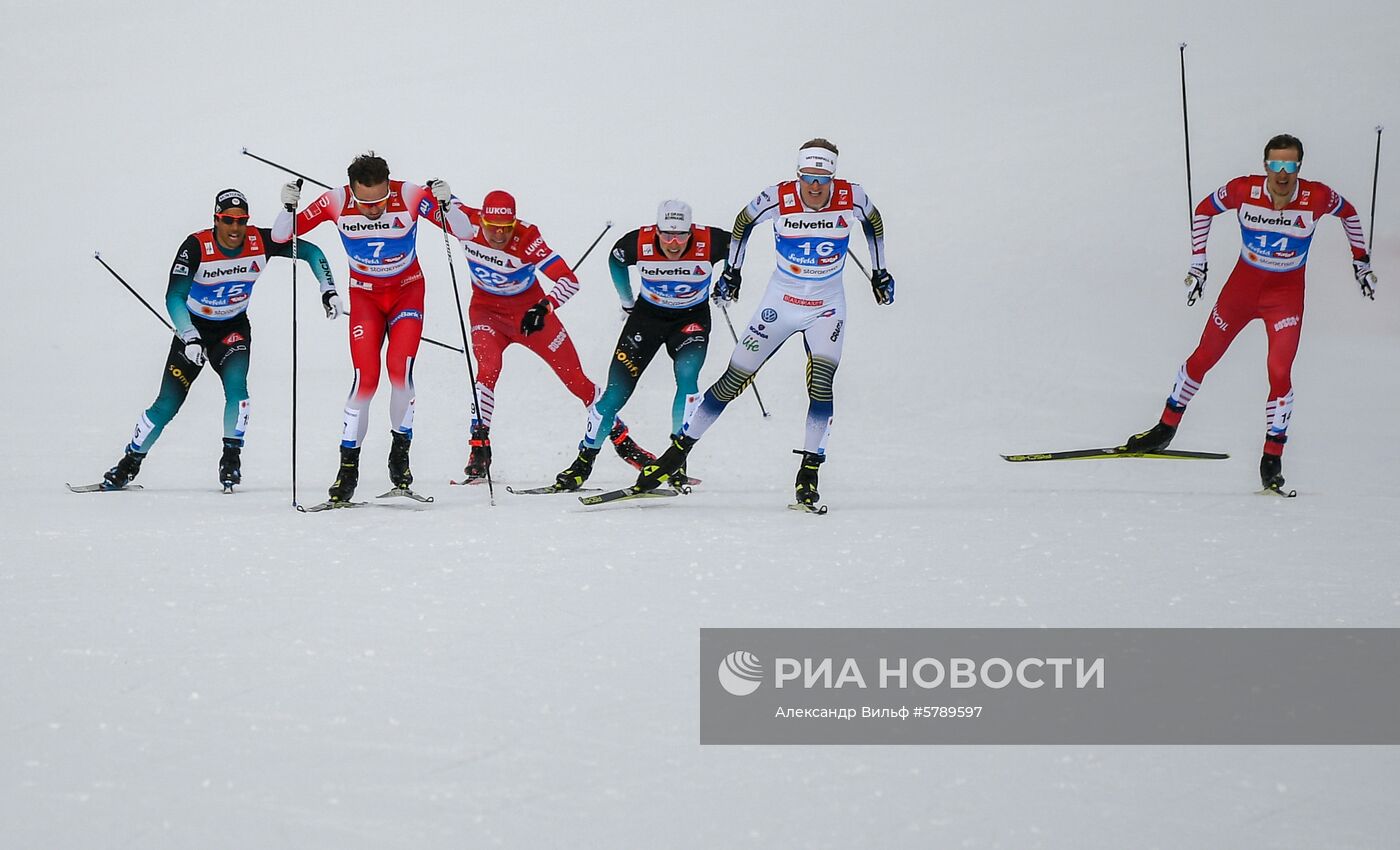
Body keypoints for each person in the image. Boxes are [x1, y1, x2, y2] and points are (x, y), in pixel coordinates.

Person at [632, 138, 895, 507]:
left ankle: (809, 472)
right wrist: (734, 272)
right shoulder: (778, 197)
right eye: (808, 177)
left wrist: (880, 271)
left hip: (827, 306)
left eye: (822, 178)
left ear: (833, 175)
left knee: (822, 384)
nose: (814, 186)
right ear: (798, 173)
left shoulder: (853, 196)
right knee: (732, 381)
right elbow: (743, 223)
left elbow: (874, 222)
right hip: (781, 302)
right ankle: (673, 457)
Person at [1124, 133, 1379, 491]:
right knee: (1204, 357)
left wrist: (1361, 262)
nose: (1282, 173)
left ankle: (1271, 459)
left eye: (1290, 165)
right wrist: (1199, 264)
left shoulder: (1316, 197)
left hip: (1285, 297)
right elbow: (1204, 210)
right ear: (1265, 167)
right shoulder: (1244, 190)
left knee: (1279, 371)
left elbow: (1349, 213)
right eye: (1276, 164)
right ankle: (1164, 429)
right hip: (1241, 291)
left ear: (1299, 168)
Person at [97, 189, 338, 491]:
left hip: (232, 329)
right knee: (166, 404)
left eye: (241, 221)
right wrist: (190, 336)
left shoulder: (260, 241)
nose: (235, 228)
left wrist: (327, 288)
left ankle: (231, 458)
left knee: (238, 389)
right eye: (227, 221)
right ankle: (129, 463)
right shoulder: (196, 246)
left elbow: (312, 252)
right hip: (195, 331)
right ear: (216, 219)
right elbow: (174, 296)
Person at [275, 153, 454, 503]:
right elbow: (284, 236)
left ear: (390, 185)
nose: (373, 209)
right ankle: (347, 471)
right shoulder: (336, 200)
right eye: (365, 202)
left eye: (381, 201)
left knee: (400, 372)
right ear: (352, 190)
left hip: (407, 293)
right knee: (366, 380)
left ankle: (400, 456)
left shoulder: (412, 195)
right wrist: (287, 208)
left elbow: (459, 231)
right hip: (366, 299)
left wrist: (450, 203)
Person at [440, 190, 654, 482]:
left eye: (506, 229)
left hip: (530, 317)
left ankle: (622, 441)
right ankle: (479, 449)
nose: (499, 236)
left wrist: (544, 306)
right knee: (487, 370)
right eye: (493, 228)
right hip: (486, 314)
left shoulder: (527, 237)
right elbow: (418, 200)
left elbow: (569, 280)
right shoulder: (465, 222)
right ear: (482, 221)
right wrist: (441, 189)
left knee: (577, 381)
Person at [552, 200, 730, 490]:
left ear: (691, 232)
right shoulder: (639, 242)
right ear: (657, 230)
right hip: (646, 319)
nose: (674, 243)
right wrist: (627, 300)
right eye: (667, 235)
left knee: (687, 378)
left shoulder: (711, 241)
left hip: (691, 320)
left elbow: (738, 245)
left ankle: (676, 460)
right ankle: (583, 462)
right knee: (615, 393)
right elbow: (616, 259)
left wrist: (730, 278)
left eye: (682, 235)